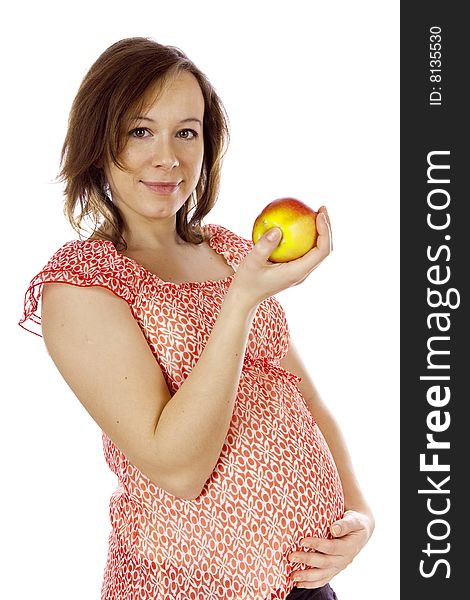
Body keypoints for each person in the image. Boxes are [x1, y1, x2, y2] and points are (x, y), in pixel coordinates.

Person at [18, 37, 374, 600]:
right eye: (140, 131)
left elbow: (302, 399)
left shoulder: (235, 251)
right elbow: (178, 469)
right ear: (97, 141)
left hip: (302, 584)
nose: (169, 157)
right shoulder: (82, 284)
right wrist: (240, 301)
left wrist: (358, 514)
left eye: (187, 131)